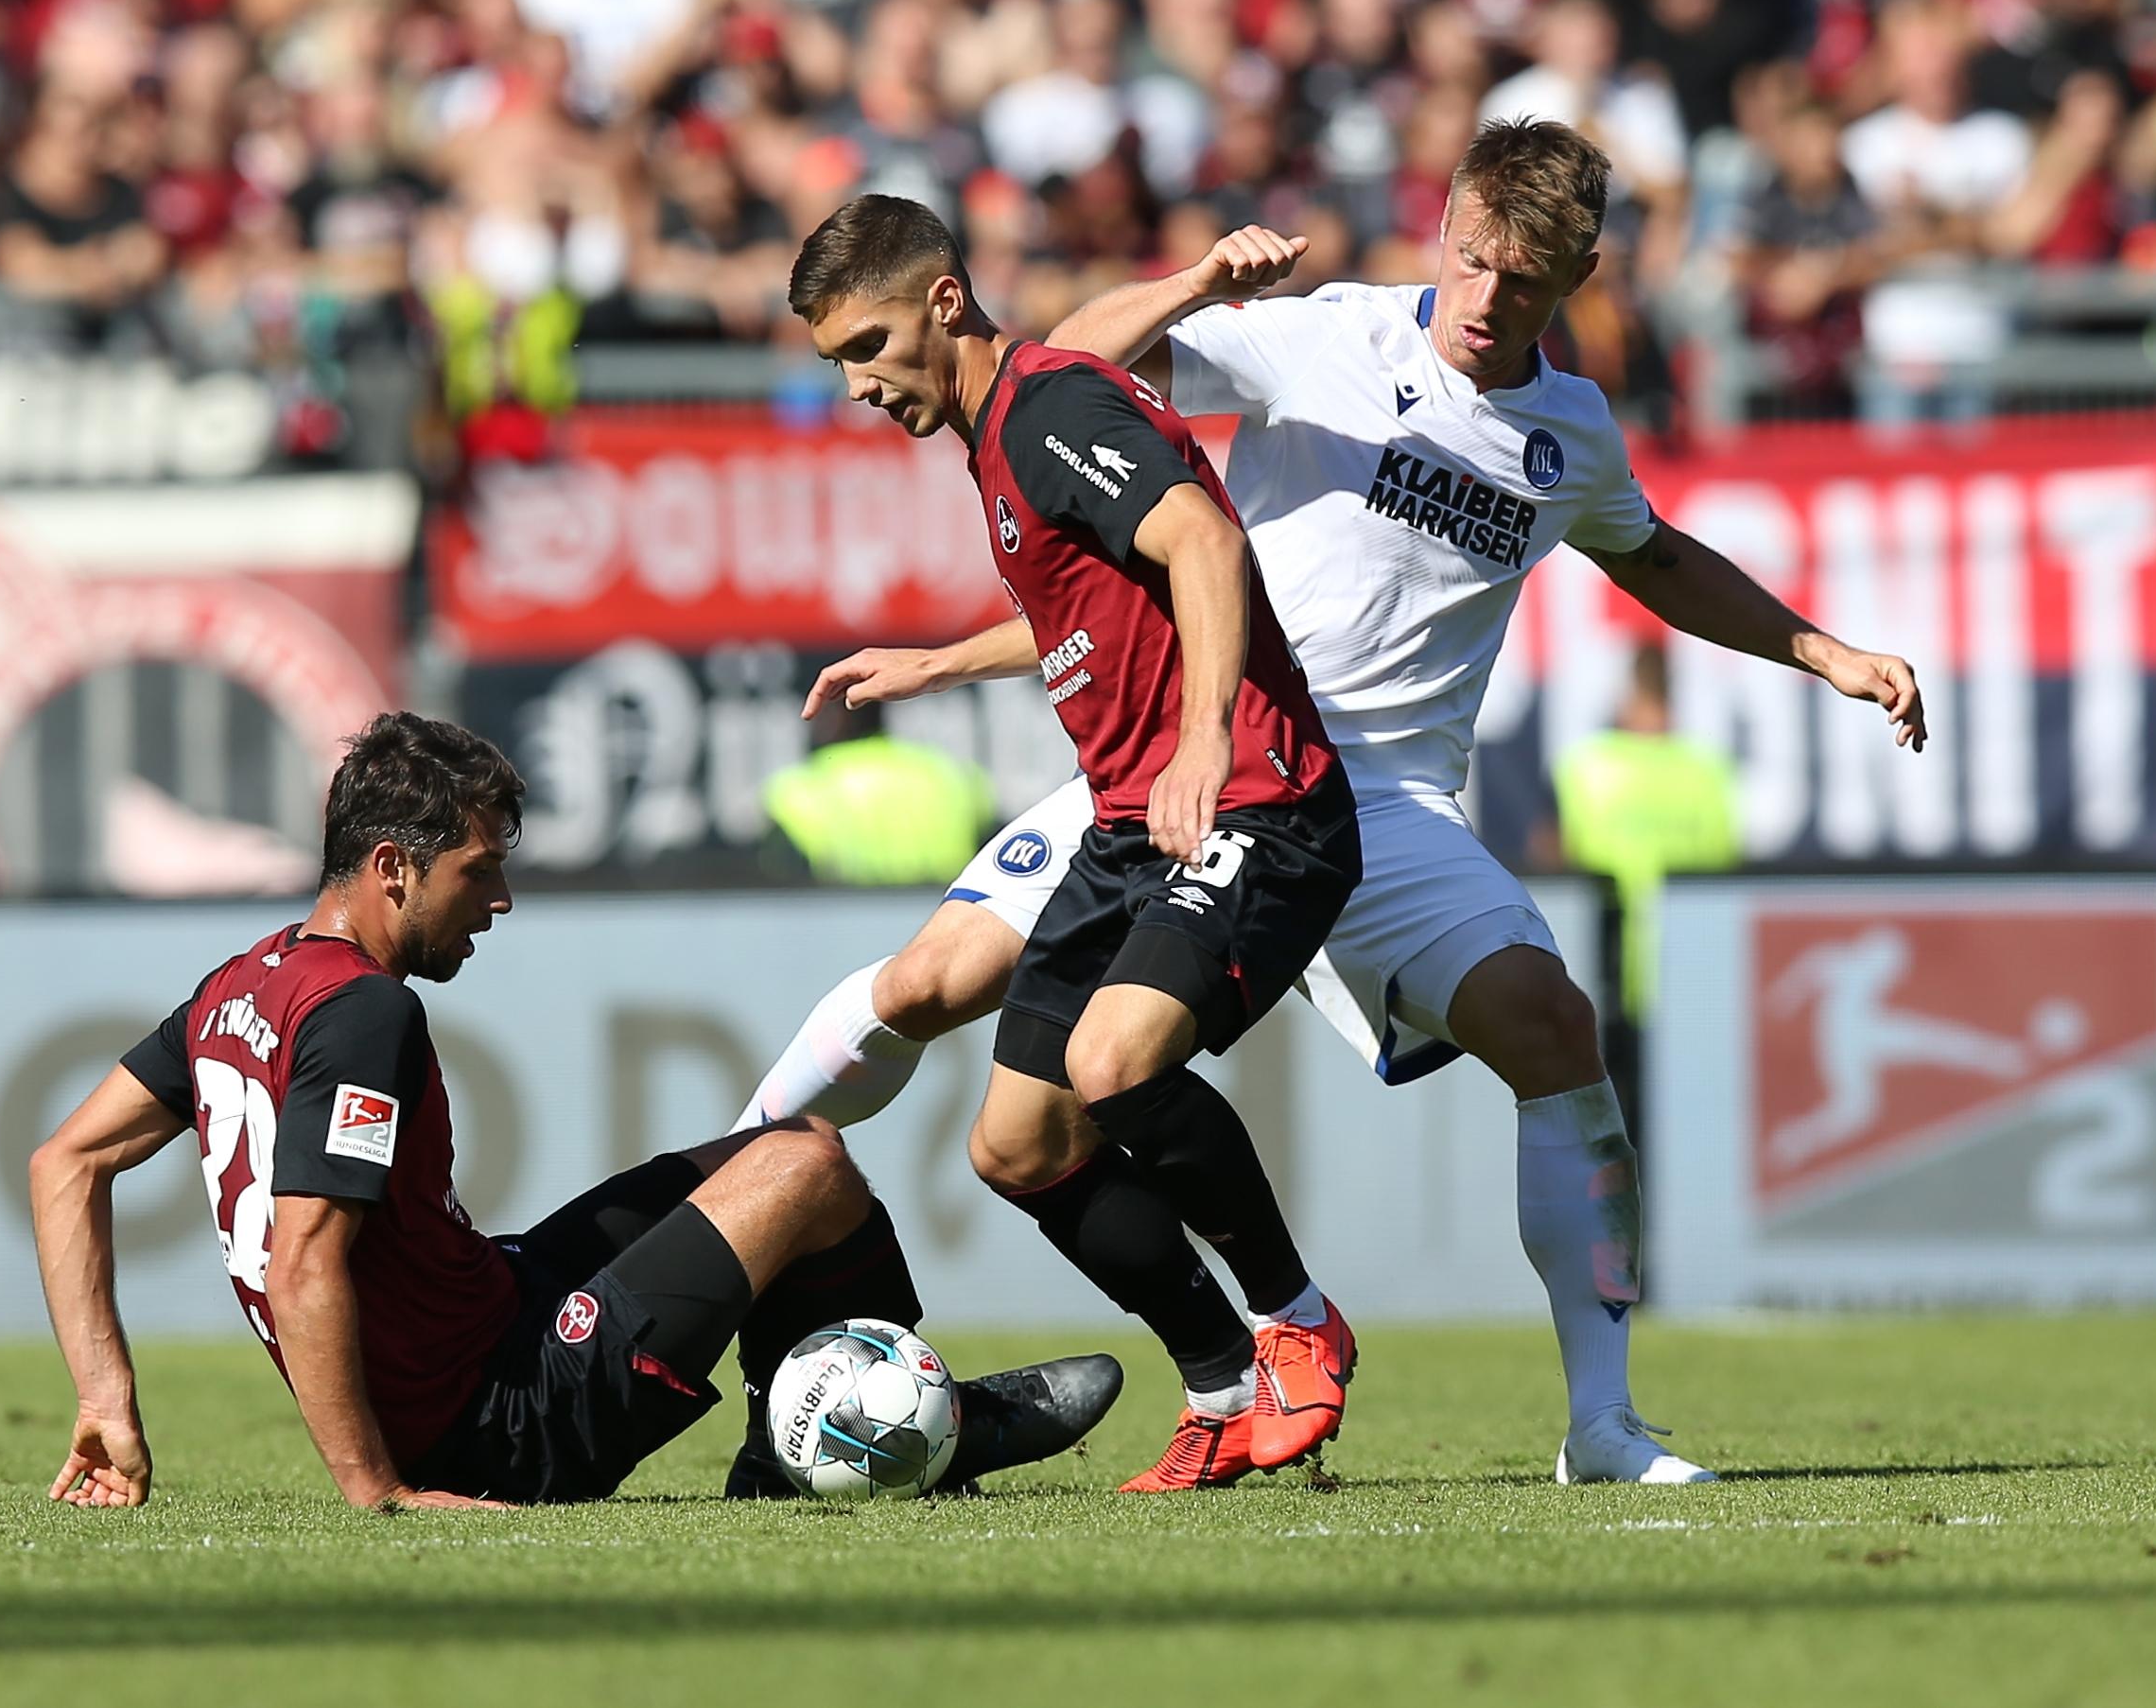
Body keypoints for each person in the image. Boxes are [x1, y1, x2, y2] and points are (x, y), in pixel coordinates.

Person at [749, 120, 1927, 1486]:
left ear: (1581, 276)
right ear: (1445, 228)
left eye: (1529, 281)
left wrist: (1825, 652)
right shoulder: (1327, 338)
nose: (1489, 300)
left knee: (1553, 1026)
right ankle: (728, 1193)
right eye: (1475, 259)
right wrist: (1198, 281)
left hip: (1376, 800)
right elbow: (1063, 369)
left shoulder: (1570, 435)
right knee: (933, 987)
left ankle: (1602, 1425)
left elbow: (1655, 558)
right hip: (1193, 745)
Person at [29, 711, 1119, 1510]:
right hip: (499, 1427)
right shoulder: (363, 1014)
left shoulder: (238, 986)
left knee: (769, 1152)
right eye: (480, 871)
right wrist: (377, 1490)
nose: (499, 901)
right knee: (813, 1169)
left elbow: (63, 1163)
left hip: (492, 1312)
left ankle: (788, 1443)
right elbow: (303, 1254)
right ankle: (929, 1432)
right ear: (392, 868)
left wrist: (106, 1398)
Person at [789, 194, 1364, 1492]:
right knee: (1016, 1142)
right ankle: (1221, 1382)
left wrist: (1208, 736)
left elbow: (1201, 539)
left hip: (1257, 803)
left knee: (1111, 1062)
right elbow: (1085, 609)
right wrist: (940, 660)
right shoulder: (1000, 431)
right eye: (838, 363)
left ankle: (1295, 1318)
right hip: (1127, 823)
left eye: (869, 345)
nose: (861, 384)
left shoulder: (1048, 411)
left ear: (943, 302)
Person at [1550, 641, 1742, 1136]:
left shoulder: (1586, 767)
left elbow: (1563, 859)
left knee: (1613, 1132)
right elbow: (1724, 872)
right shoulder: (1707, 770)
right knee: (1686, 1135)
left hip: (1603, 977)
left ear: (1627, 692)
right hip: (1689, 982)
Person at [762, 694, 994, 885]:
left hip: (843, 926)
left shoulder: (801, 786)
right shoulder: (951, 771)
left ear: (835, 716)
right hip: (948, 920)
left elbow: (782, 882)